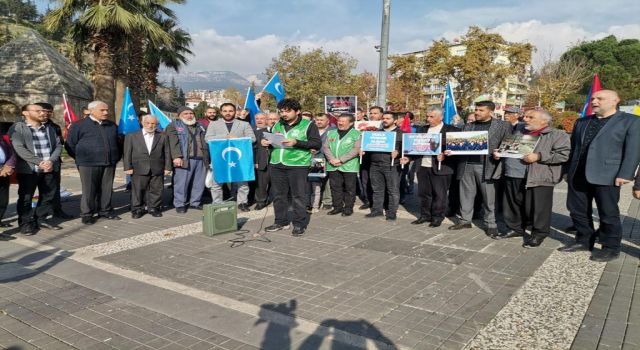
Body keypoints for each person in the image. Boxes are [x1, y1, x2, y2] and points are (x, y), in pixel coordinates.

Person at [560, 90, 640, 262]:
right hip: (577, 173)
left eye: (600, 99)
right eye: (593, 98)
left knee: (608, 212)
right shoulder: (582, 122)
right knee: (577, 210)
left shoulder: (631, 121)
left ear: (615, 101)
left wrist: (625, 173)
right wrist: (567, 170)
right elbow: (573, 149)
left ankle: (610, 246)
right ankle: (584, 240)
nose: (594, 101)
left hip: (608, 175)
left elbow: (634, 150)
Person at [493, 109, 570, 247]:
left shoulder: (557, 135)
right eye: (525, 116)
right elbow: (511, 148)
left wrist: (539, 156)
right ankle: (514, 228)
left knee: (538, 208)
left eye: (530, 117)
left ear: (544, 121)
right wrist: (500, 153)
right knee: (512, 204)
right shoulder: (519, 131)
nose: (525, 119)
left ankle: (539, 234)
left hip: (538, 177)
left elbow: (563, 154)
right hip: (512, 173)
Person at [447, 100, 511, 237]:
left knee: (489, 197)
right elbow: (459, 144)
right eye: (476, 109)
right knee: (465, 195)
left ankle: (491, 224)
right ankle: (465, 221)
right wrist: (452, 150)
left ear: (490, 112)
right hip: (466, 164)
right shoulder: (468, 126)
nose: (477, 112)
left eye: (481, 110)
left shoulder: (503, 125)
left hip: (488, 165)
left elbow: (507, 144)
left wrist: (500, 153)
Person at [261, 98, 321, 236]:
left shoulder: (308, 125)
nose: (284, 114)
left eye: (287, 111)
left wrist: (296, 142)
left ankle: (299, 224)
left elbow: (316, 144)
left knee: (298, 196)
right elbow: (274, 142)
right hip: (277, 164)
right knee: (278, 195)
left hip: (297, 165)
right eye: (281, 111)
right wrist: (266, 142)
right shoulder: (277, 125)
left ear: (297, 111)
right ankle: (280, 221)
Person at [401, 106, 459, 227]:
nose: (428, 119)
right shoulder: (422, 129)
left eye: (431, 117)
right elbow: (416, 147)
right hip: (423, 166)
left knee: (439, 194)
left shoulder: (452, 130)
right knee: (424, 193)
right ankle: (425, 215)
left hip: (441, 167)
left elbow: (457, 150)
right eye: (427, 116)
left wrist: (445, 156)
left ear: (441, 117)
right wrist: (409, 158)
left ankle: (437, 217)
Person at [10, 104, 64, 233]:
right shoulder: (17, 128)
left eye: (42, 111)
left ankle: (41, 218)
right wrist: (40, 162)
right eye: (38, 111)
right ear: (25, 113)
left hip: (49, 168)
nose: (42, 113)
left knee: (48, 195)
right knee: (26, 197)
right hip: (29, 169)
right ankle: (26, 223)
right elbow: (19, 148)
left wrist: (50, 161)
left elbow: (58, 145)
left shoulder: (49, 127)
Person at [65, 101, 121, 225]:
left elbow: (118, 143)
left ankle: (105, 211)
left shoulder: (112, 125)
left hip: (109, 163)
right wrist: (80, 158)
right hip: (88, 164)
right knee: (89, 190)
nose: (106, 112)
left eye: (107, 110)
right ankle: (87, 214)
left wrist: (115, 157)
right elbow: (70, 145)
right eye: (102, 110)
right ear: (91, 110)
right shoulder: (78, 125)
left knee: (106, 189)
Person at [205, 103, 256, 211]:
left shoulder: (244, 124)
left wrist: (237, 138)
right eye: (225, 111)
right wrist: (225, 137)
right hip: (220, 159)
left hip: (239, 159)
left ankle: (242, 202)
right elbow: (208, 138)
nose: (228, 113)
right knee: (217, 183)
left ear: (235, 112)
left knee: (242, 182)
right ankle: (217, 203)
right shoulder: (214, 124)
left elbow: (252, 138)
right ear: (221, 112)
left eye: (230, 111)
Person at [123, 115, 172, 218]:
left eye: (153, 123)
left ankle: (154, 208)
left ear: (157, 124)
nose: (150, 126)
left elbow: (167, 152)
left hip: (157, 167)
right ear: (142, 123)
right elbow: (127, 152)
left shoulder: (163, 136)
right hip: (138, 168)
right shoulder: (132, 136)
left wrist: (168, 167)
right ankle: (137, 209)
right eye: (148, 123)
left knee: (156, 189)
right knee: (138, 190)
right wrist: (127, 167)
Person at [35, 102, 74, 219]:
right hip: (34, 164)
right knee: (31, 191)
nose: (47, 114)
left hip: (53, 162)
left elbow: (59, 143)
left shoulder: (54, 127)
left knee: (55, 188)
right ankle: (34, 215)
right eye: (44, 111)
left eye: (49, 111)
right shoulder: (24, 126)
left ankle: (57, 210)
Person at [166, 106, 209, 213]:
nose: (189, 116)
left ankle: (195, 202)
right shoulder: (173, 126)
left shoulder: (201, 126)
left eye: (191, 113)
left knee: (199, 183)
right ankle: (180, 203)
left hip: (201, 159)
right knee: (182, 183)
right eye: (186, 114)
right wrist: (176, 156)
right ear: (179, 116)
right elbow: (172, 143)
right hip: (184, 159)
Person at [363, 111, 403, 221]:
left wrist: (398, 152)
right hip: (375, 165)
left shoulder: (401, 134)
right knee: (377, 189)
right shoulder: (376, 133)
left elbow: (407, 151)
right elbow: (369, 146)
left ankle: (392, 212)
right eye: (384, 118)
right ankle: (377, 210)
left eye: (388, 118)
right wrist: (363, 150)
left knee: (393, 190)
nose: (385, 120)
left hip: (392, 165)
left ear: (395, 120)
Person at [323, 114, 361, 216]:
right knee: (335, 187)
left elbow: (356, 149)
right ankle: (337, 207)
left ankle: (348, 208)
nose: (340, 123)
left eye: (343, 121)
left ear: (351, 123)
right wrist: (331, 159)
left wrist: (341, 160)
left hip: (349, 165)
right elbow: (326, 147)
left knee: (349, 188)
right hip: (333, 165)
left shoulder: (356, 134)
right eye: (339, 121)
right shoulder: (331, 133)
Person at [308, 113, 333, 213]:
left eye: (321, 120)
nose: (318, 121)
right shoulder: (312, 130)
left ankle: (327, 202)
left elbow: (332, 144)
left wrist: (317, 149)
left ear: (328, 121)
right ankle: (314, 204)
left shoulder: (332, 131)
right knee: (315, 182)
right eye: (317, 119)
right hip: (316, 159)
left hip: (328, 158)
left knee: (328, 182)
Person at [253, 113, 271, 210]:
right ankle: (260, 201)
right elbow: (254, 149)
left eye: (262, 118)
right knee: (261, 183)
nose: (259, 120)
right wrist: (256, 161)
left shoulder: (273, 130)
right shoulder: (252, 132)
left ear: (267, 119)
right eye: (257, 118)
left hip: (273, 161)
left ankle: (270, 198)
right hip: (260, 160)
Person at [0, 133, 16, 228]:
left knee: (3, 201)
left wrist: (9, 165)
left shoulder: (3, 138)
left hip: (3, 173)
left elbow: (12, 154)